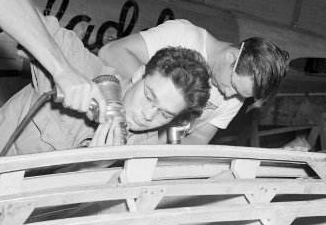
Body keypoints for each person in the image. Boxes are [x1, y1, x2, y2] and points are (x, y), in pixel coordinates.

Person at [0, 0, 211, 191]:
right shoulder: (82, 66)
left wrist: (92, 169)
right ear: (139, 75)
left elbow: (67, 209)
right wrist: (61, 70)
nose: (148, 115)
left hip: (22, 211)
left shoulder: (147, 146)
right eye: (149, 97)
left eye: (164, 113)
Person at [98, 19, 290, 145]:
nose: (230, 95)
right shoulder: (184, 36)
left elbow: (199, 137)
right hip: (104, 125)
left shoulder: (236, 96)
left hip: (140, 155)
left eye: (240, 94)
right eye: (233, 85)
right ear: (231, 57)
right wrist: (157, 97)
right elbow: (110, 52)